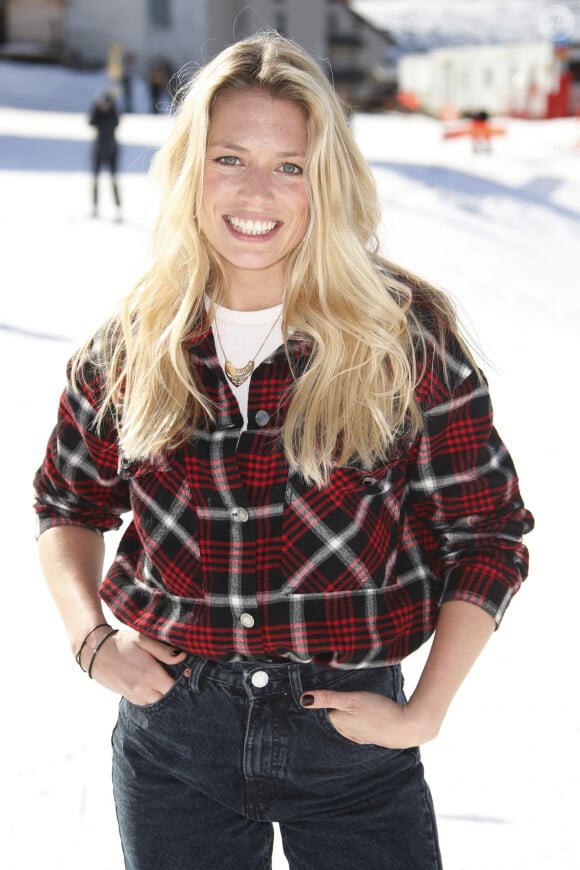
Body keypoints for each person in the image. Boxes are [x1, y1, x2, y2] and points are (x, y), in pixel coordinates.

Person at [34, 32, 534, 870]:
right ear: (192, 170)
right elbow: (67, 502)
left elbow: (488, 535)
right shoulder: (133, 345)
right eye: (229, 158)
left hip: (352, 750)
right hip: (173, 749)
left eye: (289, 166)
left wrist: (424, 713)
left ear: (324, 182)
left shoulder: (400, 337)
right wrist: (91, 640)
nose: (256, 191)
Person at [89, 91, 122, 219]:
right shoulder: (98, 116)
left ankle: (118, 207)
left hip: (111, 150)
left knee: (114, 180)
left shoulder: (112, 117)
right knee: (96, 180)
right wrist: (96, 108)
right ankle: (95, 207)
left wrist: (111, 108)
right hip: (98, 150)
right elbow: (91, 121)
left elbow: (116, 122)